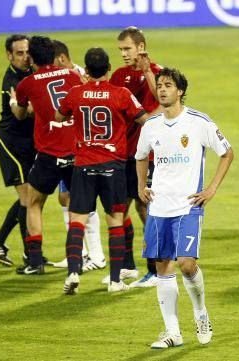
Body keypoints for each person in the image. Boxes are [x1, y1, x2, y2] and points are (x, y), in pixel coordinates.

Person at [135, 68, 233, 348]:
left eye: (168, 85)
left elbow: (227, 152)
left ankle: (201, 312)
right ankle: (172, 332)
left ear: (180, 91)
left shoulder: (198, 122)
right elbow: (140, 156)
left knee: (187, 264)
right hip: (159, 206)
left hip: (189, 204)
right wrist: (142, 185)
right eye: (160, 85)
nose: (162, 89)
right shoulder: (151, 125)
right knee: (161, 265)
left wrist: (212, 188)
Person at [55, 47, 150, 293]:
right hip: (113, 166)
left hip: (84, 165)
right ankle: (116, 280)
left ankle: (74, 272)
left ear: (86, 71)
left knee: (77, 220)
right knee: (115, 220)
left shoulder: (75, 93)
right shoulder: (121, 94)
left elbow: (60, 114)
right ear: (109, 69)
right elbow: (145, 120)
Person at [9, 35, 83, 274]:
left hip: (49, 155)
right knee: (75, 206)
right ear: (53, 56)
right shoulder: (72, 76)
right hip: (76, 152)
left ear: (31, 57)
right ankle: (76, 262)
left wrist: (13, 101)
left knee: (32, 202)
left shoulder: (26, 84)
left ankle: (35, 261)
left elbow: (20, 114)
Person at [107, 26, 163, 288]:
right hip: (123, 152)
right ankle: (128, 265)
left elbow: (160, 100)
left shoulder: (160, 73)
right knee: (120, 207)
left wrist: (147, 70)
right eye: (120, 50)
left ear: (141, 47)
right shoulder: (118, 75)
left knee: (146, 207)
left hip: (149, 155)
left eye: (127, 48)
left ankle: (155, 269)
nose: (123, 54)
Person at [49, 39, 106, 272]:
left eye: (51, 64)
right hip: (66, 146)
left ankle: (97, 255)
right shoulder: (66, 80)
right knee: (65, 198)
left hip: (81, 148)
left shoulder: (82, 79)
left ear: (61, 59)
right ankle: (80, 253)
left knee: (83, 201)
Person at [0, 34, 34, 267]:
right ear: (9, 55)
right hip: (10, 144)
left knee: (31, 197)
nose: (25, 57)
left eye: (27, 52)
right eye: (19, 53)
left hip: (28, 143)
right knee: (27, 197)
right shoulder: (12, 81)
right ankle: (31, 255)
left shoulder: (32, 73)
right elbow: (20, 114)